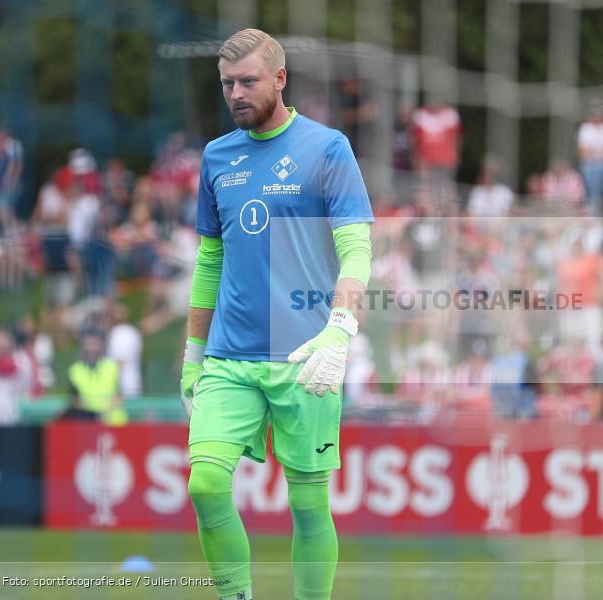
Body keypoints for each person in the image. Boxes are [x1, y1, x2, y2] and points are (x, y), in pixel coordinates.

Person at [180, 29, 373, 600]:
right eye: (227, 84)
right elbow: (209, 261)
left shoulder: (328, 148)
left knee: (309, 506)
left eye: (248, 82)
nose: (236, 94)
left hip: (306, 355)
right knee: (205, 484)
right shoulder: (217, 156)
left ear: (280, 79)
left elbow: (356, 249)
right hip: (229, 356)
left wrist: (340, 329)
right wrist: (193, 356)